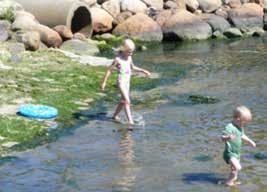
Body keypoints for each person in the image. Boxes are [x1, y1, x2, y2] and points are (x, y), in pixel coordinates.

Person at [101, 39, 151, 125]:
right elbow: (109, 70)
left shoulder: (129, 58)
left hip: (127, 82)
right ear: (123, 50)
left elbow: (133, 67)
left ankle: (115, 116)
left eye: (132, 52)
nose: (131, 54)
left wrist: (143, 71)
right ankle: (130, 121)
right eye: (129, 52)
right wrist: (104, 82)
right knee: (127, 101)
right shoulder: (118, 59)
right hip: (121, 82)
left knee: (123, 101)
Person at [221, 106, 256, 186]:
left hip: (237, 154)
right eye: (244, 122)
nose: (245, 124)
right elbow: (222, 138)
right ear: (238, 119)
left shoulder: (240, 127)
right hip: (230, 153)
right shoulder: (229, 127)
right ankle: (228, 183)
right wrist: (228, 137)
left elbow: (242, 135)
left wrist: (250, 141)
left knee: (234, 171)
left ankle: (231, 181)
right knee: (237, 167)